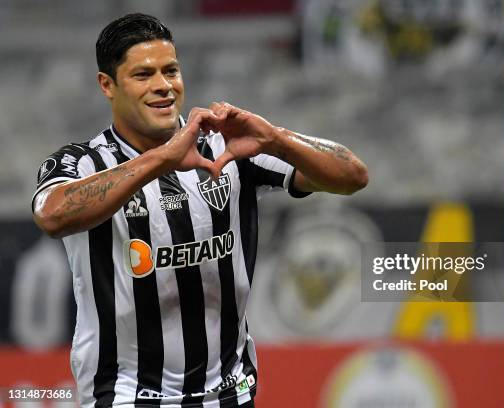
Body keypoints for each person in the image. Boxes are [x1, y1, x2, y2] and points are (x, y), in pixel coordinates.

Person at [31, 13, 368, 408]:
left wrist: (275, 139)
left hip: (229, 394)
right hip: (126, 396)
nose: (163, 86)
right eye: (143, 75)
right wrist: (161, 159)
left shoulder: (226, 147)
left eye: (170, 71)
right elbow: (53, 214)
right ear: (108, 85)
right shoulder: (84, 162)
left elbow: (352, 175)